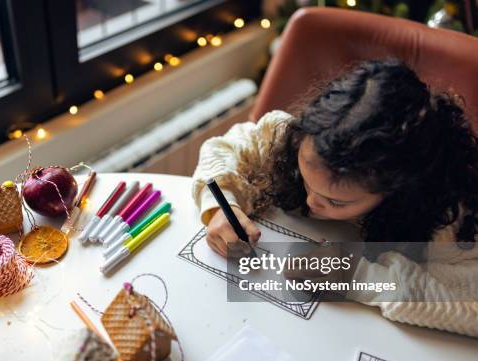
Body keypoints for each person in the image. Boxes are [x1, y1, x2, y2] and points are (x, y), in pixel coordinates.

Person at [191, 59, 478, 337]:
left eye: (336, 202)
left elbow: (470, 308)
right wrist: (221, 204)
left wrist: (358, 274)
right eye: (305, 180)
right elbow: (223, 148)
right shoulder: (285, 141)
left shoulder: (449, 224)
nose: (312, 202)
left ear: (398, 191)